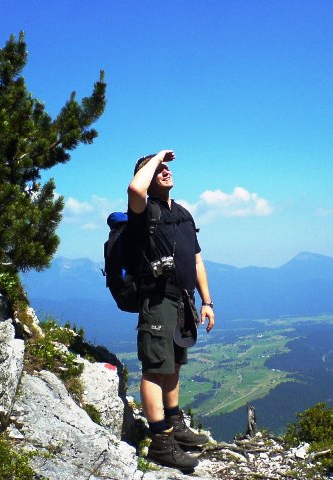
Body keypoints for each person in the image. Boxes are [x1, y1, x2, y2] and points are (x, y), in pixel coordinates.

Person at [126, 149, 215, 471]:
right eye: (158, 169)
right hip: (158, 299)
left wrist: (207, 301)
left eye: (167, 168)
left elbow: (196, 259)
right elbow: (134, 189)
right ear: (148, 177)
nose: (165, 171)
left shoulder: (183, 213)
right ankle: (161, 444)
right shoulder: (143, 211)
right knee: (155, 369)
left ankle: (175, 425)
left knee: (175, 363)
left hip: (183, 300)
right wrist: (157, 155)